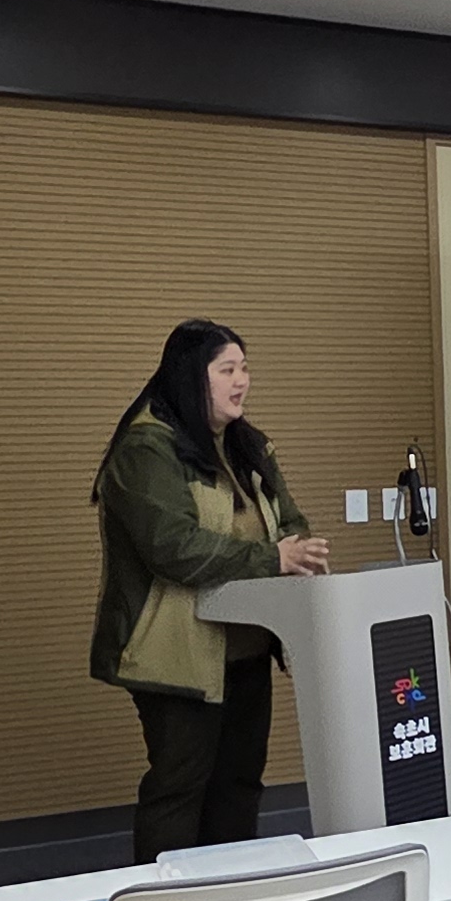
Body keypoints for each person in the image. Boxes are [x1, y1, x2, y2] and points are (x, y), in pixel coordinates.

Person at [91, 318, 327, 860]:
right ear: (191, 376)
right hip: (173, 653)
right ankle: (166, 900)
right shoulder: (147, 450)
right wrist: (273, 558)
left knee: (240, 782)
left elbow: (290, 522)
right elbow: (173, 547)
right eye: (227, 370)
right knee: (180, 786)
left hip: (248, 647)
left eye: (244, 368)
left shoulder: (248, 445)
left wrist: (297, 548)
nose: (242, 380)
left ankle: (231, 890)